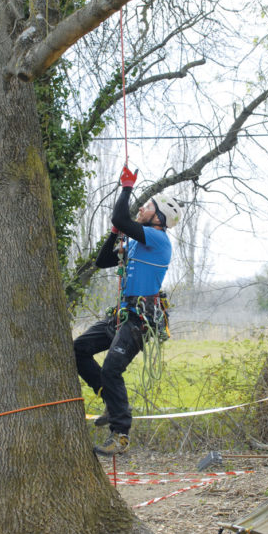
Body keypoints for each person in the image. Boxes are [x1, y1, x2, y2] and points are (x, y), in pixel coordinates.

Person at [73, 165, 182, 455]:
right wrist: (114, 232)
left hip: (139, 320)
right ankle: (109, 402)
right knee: (78, 350)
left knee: (112, 367)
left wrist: (127, 187)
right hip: (121, 316)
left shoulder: (157, 239)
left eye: (147, 207)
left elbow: (121, 215)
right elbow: (104, 261)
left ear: (158, 217)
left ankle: (121, 434)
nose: (141, 209)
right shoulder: (137, 242)